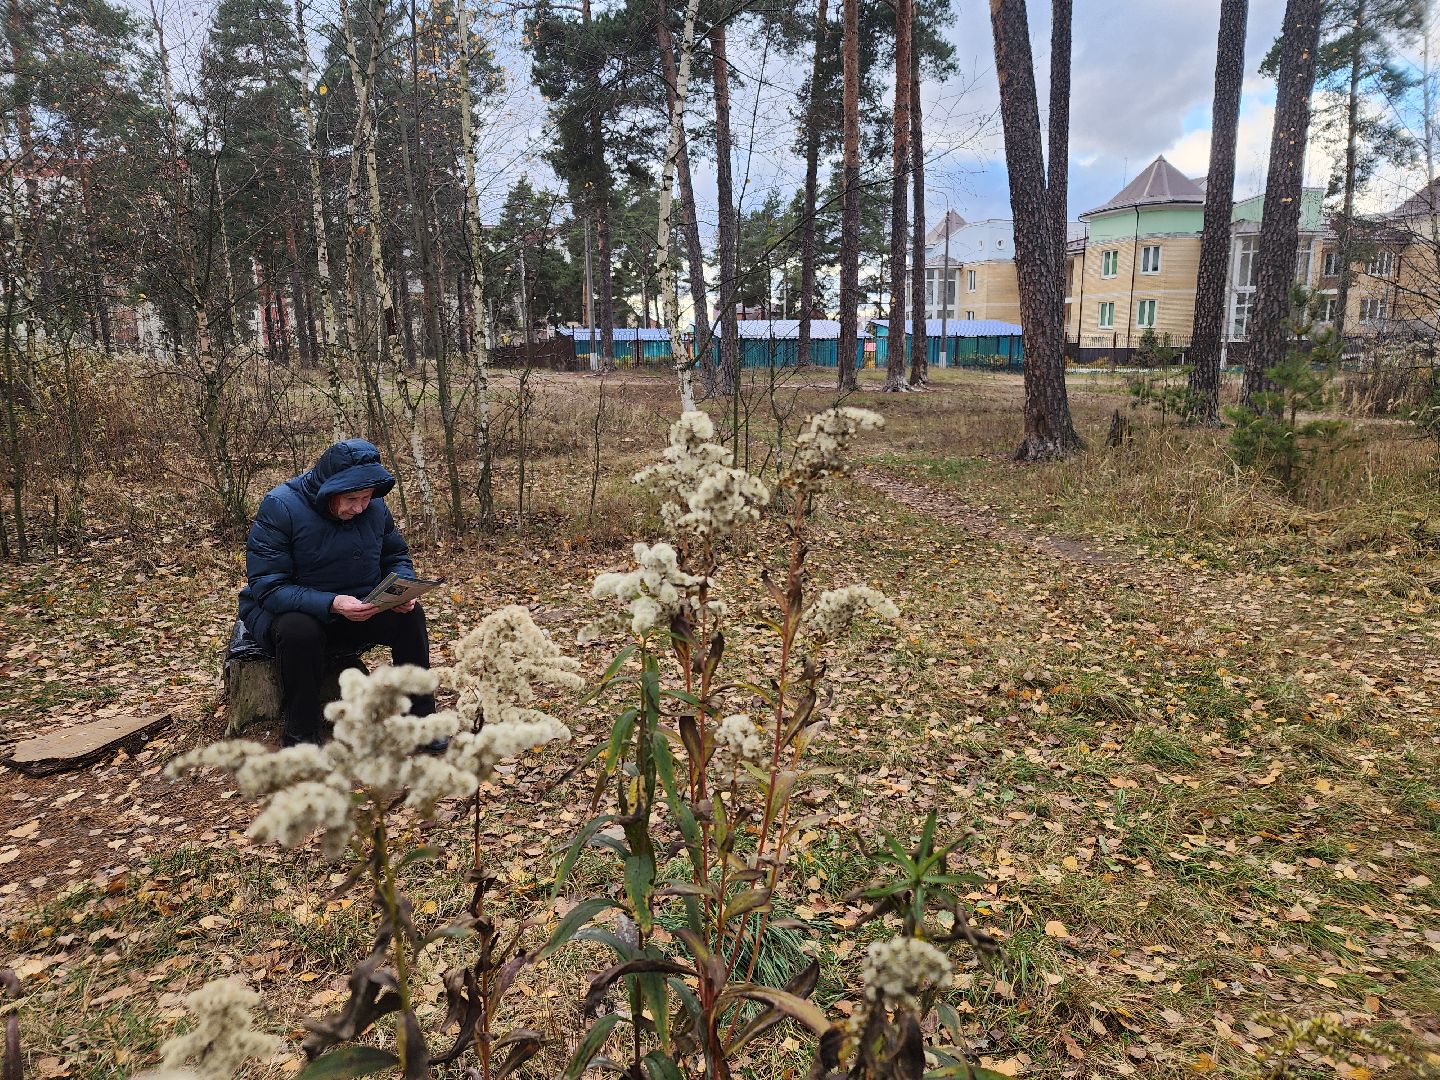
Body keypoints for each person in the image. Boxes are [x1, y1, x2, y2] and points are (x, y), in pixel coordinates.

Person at [238, 438, 433, 746]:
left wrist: (402, 590)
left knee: (411, 617)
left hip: (358, 607)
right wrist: (332, 603)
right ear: (329, 488)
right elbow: (268, 585)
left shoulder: (375, 508)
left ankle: (421, 724)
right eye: (352, 498)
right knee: (299, 631)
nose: (360, 507)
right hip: (293, 613)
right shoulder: (281, 506)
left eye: (367, 497)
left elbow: (395, 556)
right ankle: (300, 735)